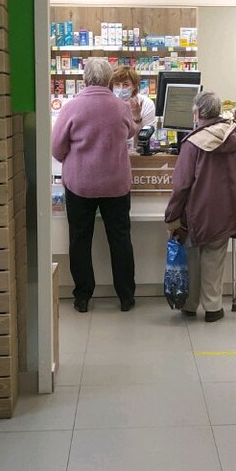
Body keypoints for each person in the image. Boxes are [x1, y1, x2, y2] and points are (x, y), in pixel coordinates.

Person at [164, 91, 236, 322]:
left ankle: (190, 306)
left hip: (195, 212)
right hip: (226, 212)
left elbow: (182, 184)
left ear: (197, 113)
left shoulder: (192, 143)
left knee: (192, 256)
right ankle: (213, 308)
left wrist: (172, 215)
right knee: (215, 258)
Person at [51, 56, 137, 313]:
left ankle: (82, 296)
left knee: (80, 239)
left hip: (80, 183)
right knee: (120, 239)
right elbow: (131, 132)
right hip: (116, 184)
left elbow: (56, 148)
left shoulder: (71, 107)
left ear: (84, 79)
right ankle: (126, 296)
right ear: (109, 79)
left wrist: (74, 157)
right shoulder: (121, 107)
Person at [110, 65, 156, 143]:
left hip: (135, 149)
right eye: (117, 84)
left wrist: (137, 117)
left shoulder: (146, 103)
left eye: (126, 85)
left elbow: (146, 139)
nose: (121, 88)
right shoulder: (107, 103)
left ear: (134, 86)